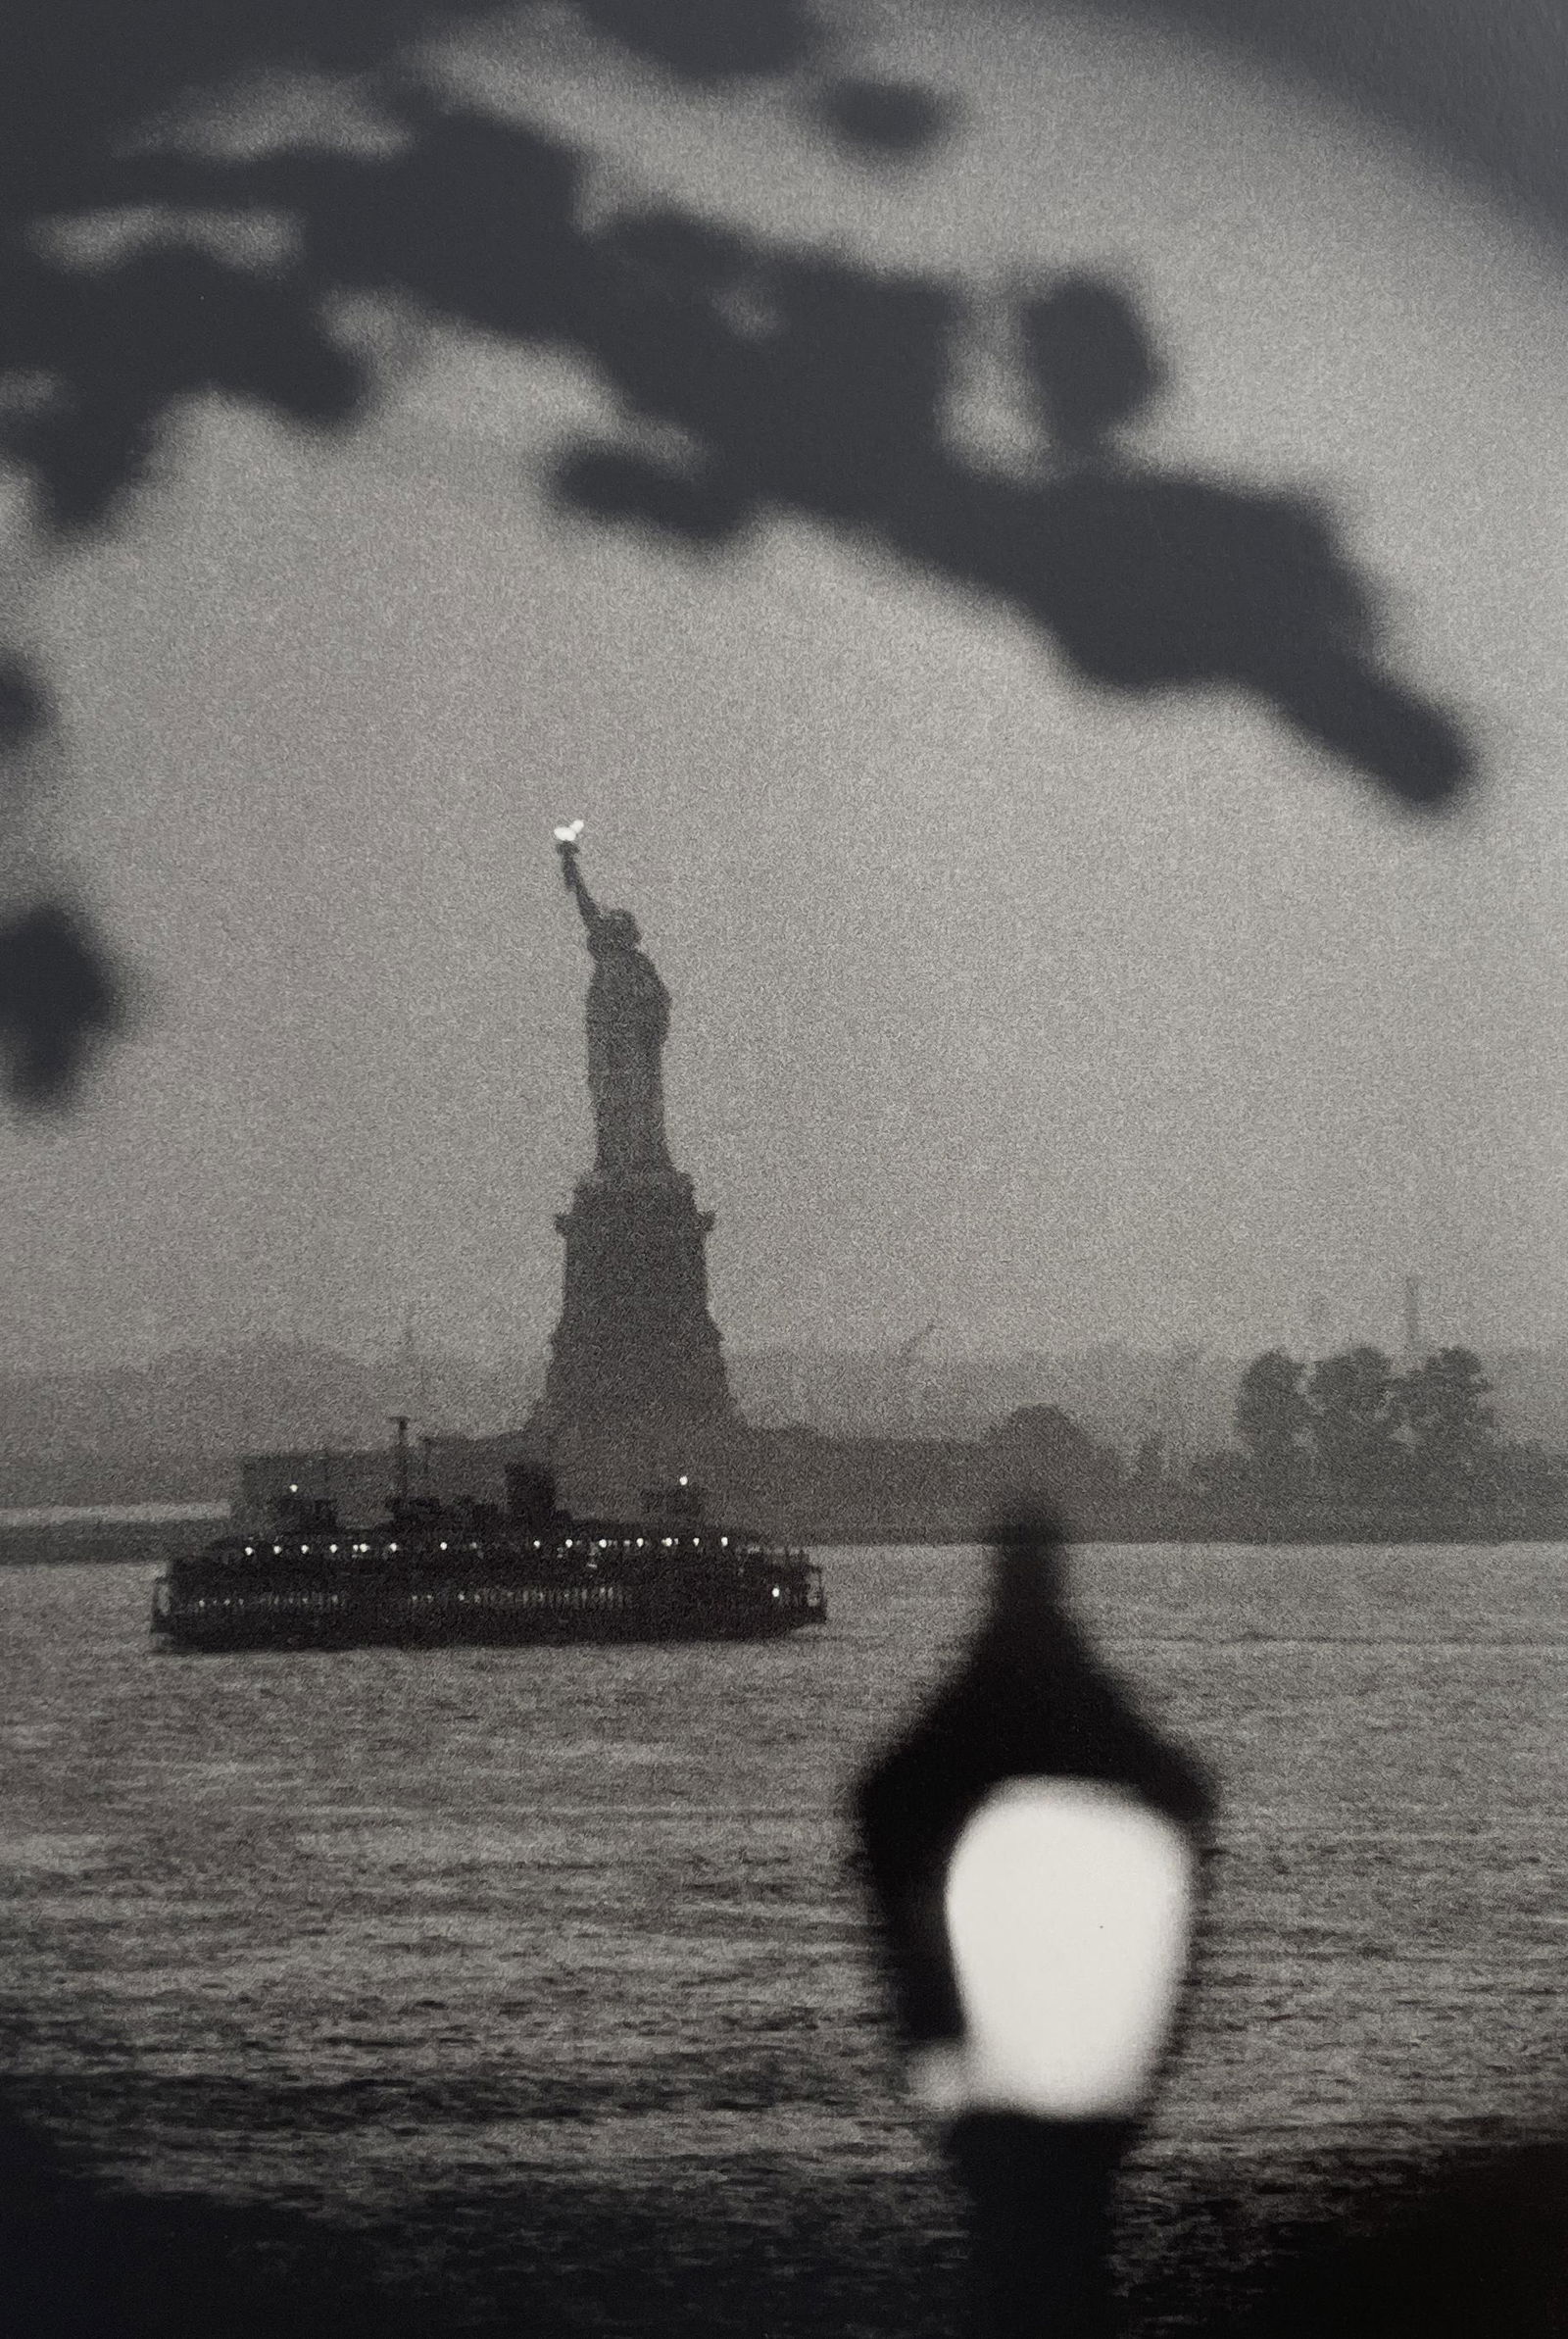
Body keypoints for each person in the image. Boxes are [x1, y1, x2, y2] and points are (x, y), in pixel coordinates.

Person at [856, 1507, 1214, 2338]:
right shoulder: (1082, 1702)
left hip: (994, 2059)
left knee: (1016, 2254)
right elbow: (1184, 1796)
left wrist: (924, 2018)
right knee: (1071, 2249)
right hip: (1095, 2060)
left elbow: (884, 1802)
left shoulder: (980, 1704)